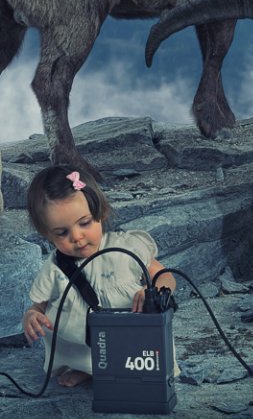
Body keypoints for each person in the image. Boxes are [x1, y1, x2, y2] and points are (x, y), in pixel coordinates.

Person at [20, 165, 176, 387]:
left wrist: (157, 291)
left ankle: (126, 369)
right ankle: (87, 369)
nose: (77, 237)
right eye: (61, 233)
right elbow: (39, 306)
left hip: (130, 332)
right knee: (82, 345)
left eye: (84, 223)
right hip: (82, 342)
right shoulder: (55, 267)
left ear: (101, 212)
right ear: (47, 235)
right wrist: (32, 315)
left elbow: (165, 275)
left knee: (135, 347)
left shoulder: (127, 248)